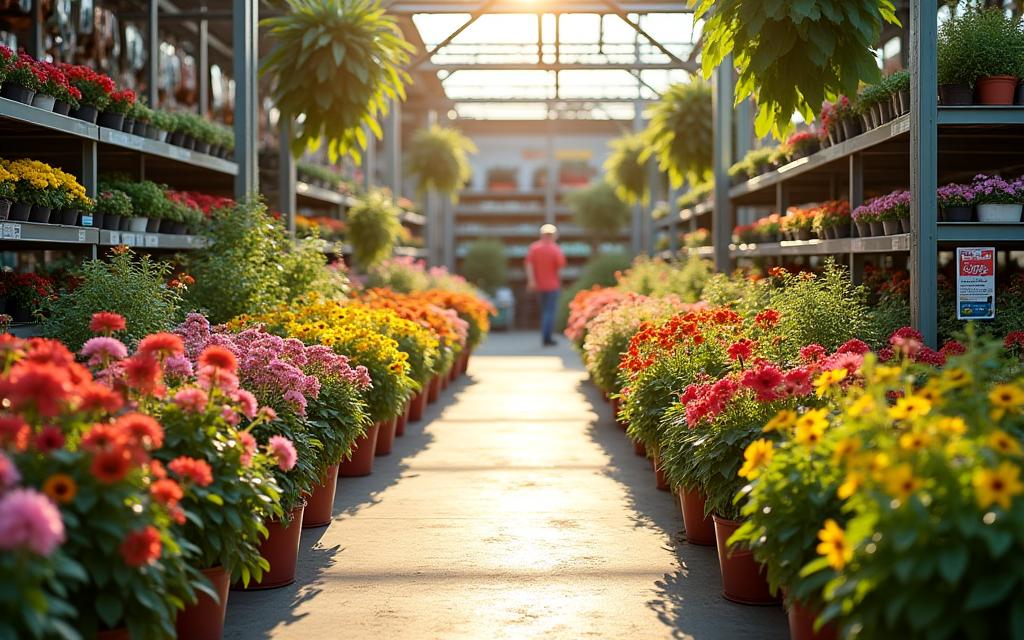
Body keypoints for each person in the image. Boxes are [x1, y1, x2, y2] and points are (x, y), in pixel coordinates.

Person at [525, 223, 566, 347]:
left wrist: (531, 281)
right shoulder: (555, 249)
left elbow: (529, 265)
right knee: (550, 312)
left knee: (544, 311)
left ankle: (546, 336)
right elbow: (560, 268)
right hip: (553, 285)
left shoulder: (534, 248)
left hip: (539, 285)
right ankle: (547, 338)